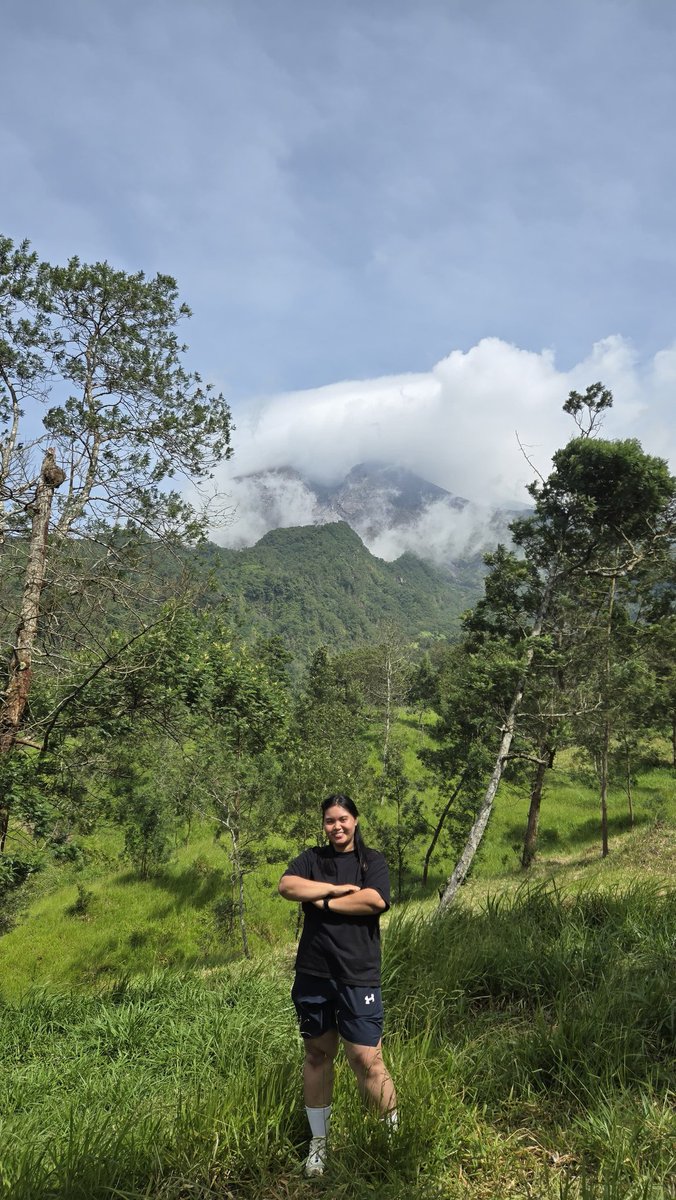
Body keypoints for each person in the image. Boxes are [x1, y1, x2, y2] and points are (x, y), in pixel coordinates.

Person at [278, 793, 398, 1178]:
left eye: (343, 819)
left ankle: (392, 1142)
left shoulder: (371, 861)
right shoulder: (312, 858)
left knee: (367, 1059)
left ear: (355, 820)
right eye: (330, 820)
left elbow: (374, 899)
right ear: (324, 824)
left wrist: (324, 904)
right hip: (313, 973)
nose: (337, 826)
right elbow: (288, 886)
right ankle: (319, 1145)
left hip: (357, 974)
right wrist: (333, 890)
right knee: (317, 1055)